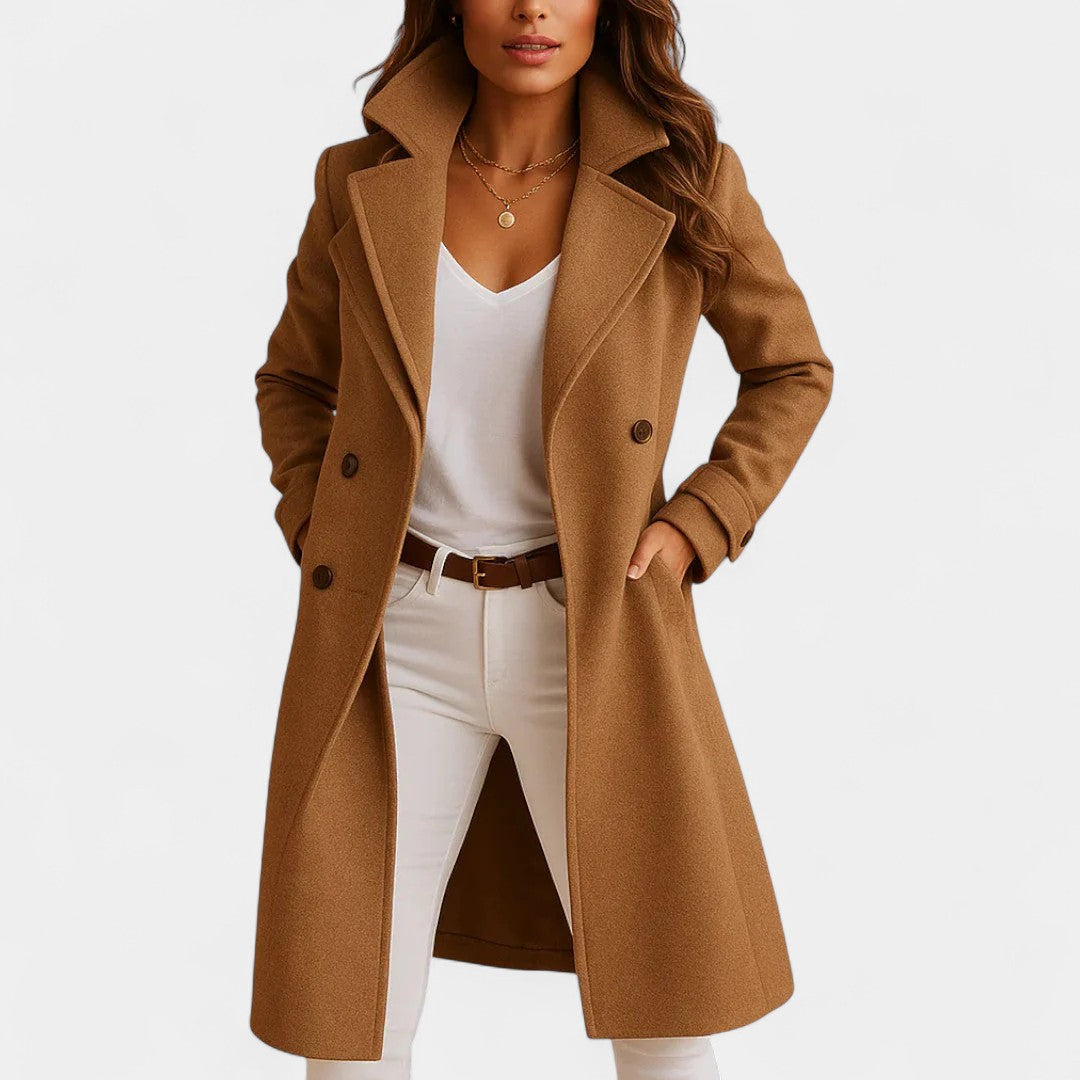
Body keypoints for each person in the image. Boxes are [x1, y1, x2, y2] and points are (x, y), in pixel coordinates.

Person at [251, 4, 833, 1079]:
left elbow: (792, 369)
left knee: (661, 1008)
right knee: (350, 1013)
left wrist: (699, 520)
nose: (532, 8)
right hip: (394, 639)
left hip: (594, 630)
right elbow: (293, 381)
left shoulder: (683, 177)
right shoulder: (360, 178)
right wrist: (320, 523)